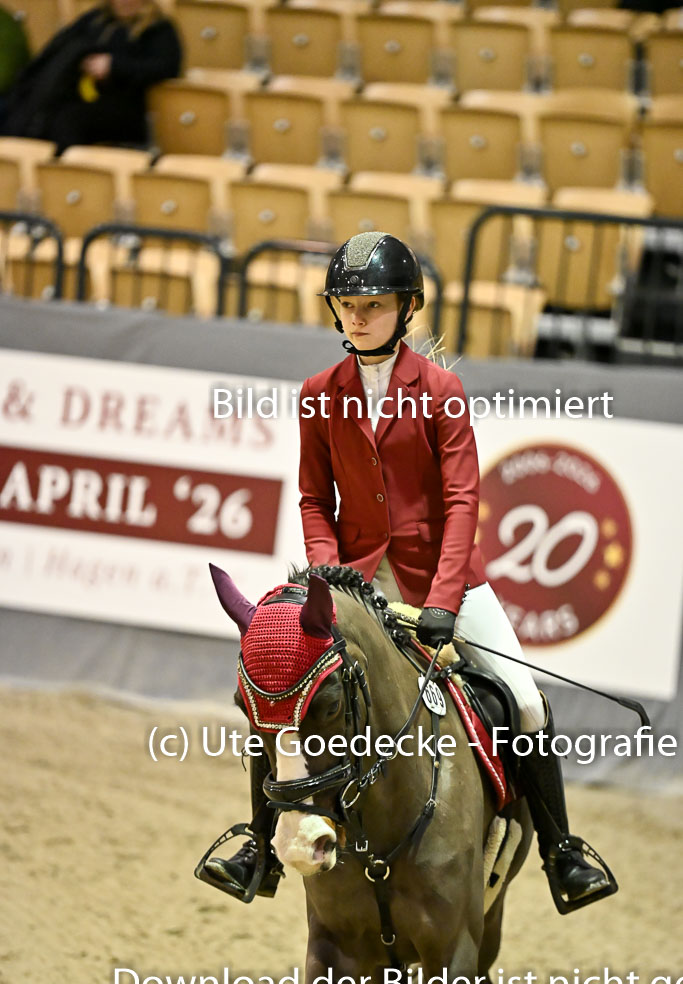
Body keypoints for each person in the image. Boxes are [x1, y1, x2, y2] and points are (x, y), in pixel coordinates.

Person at [204, 232, 615, 913]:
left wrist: (445, 601)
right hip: (354, 580)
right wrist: (329, 580)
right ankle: (258, 846)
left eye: (373, 304)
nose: (357, 316)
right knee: (284, 685)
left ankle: (561, 853)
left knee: (525, 701)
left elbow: (462, 501)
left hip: (442, 580)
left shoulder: (441, 391)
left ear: (408, 308)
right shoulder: (318, 394)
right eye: (347, 304)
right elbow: (313, 498)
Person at [2, 0, 181, 153]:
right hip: (80, 95)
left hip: (126, 107)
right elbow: (57, 48)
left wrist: (114, 66)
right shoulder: (96, 19)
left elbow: (165, 67)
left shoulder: (158, 28)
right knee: (27, 108)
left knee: (67, 121)